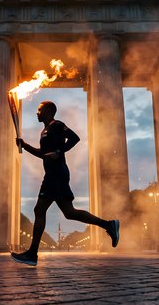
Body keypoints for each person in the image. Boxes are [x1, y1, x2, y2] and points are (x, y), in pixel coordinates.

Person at [11, 100, 119, 266]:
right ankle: (108, 224)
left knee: (39, 209)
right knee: (69, 212)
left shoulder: (57, 125)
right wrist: (25, 146)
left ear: (48, 110)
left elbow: (75, 138)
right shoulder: (44, 131)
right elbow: (44, 154)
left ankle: (32, 254)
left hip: (56, 174)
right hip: (54, 174)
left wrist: (59, 151)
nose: (37, 113)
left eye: (39, 110)